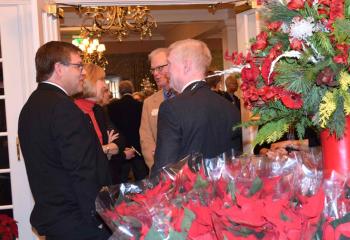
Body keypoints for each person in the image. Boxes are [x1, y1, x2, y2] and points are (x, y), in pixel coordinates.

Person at [18, 41, 111, 239]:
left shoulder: (30, 107)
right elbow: (82, 170)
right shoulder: (64, 109)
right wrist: (100, 220)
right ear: (59, 68)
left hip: (56, 220)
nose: (83, 72)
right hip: (79, 223)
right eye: (78, 66)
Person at [152, 39, 242, 176]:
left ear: (186, 66)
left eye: (169, 64)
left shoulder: (172, 108)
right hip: (223, 194)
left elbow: (164, 170)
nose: (167, 71)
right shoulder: (230, 108)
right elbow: (235, 164)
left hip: (187, 195)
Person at [74, 63, 135, 184]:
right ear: (89, 81)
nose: (105, 85)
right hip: (86, 183)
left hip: (105, 178)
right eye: (101, 80)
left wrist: (104, 149)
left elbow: (120, 141)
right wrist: (107, 148)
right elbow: (83, 154)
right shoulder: (73, 112)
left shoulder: (98, 110)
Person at [139, 48, 176, 170]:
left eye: (160, 68)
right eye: (153, 69)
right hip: (160, 171)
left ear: (173, 66)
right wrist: (158, 168)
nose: (155, 73)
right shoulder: (149, 103)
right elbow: (146, 140)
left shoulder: (188, 97)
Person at [107, 80, 149, 182]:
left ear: (120, 91)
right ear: (132, 90)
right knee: (142, 180)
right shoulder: (140, 105)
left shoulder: (111, 107)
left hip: (121, 148)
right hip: (137, 147)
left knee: (121, 182)